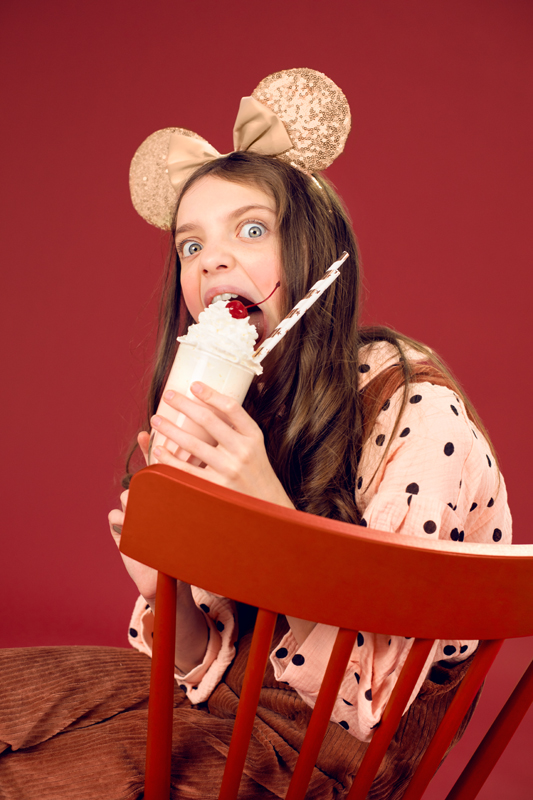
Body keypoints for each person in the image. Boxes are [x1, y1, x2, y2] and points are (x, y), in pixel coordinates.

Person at [0, 69, 511, 800]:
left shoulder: (414, 410)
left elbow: (365, 706)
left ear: (318, 256)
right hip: (219, 712)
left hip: (330, 762)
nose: (210, 258)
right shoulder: (249, 405)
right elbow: (198, 672)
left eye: (250, 229)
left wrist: (268, 508)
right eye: (190, 245)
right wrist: (166, 591)